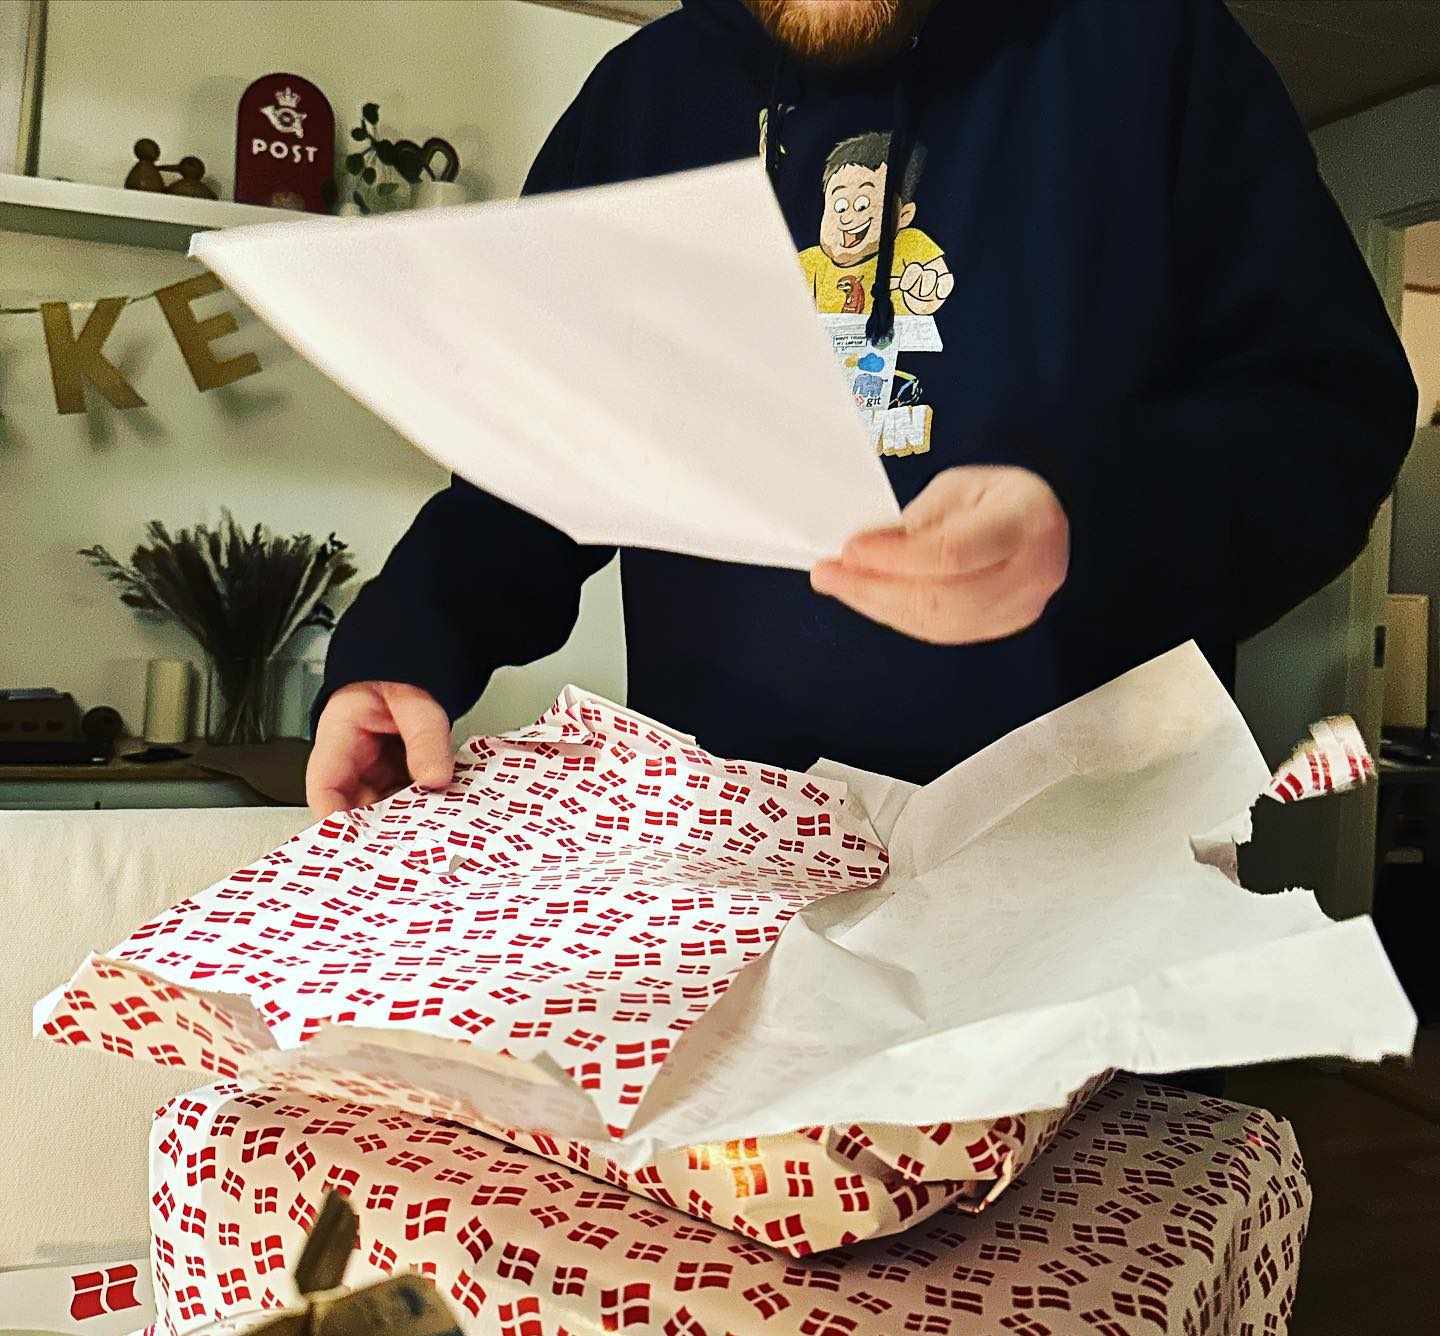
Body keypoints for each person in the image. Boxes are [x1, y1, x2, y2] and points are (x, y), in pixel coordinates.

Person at [307, 0, 1416, 817]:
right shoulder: (639, 103)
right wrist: (411, 639)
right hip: (730, 865)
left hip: (1093, 875)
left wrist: (1092, 521)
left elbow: (1329, 412)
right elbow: (546, 444)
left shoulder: (1156, 47)